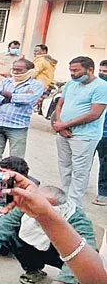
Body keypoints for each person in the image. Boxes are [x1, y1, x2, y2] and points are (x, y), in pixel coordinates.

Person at [0, 184, 97, 284]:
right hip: (36, 249)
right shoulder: (30, 205)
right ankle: (33, 270)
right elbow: (0, 226)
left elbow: (88, 252)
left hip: (61, 256)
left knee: (80, 267)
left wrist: (62, 281)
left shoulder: (77, 220)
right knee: (11, 235)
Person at [52, 56, 107, 207]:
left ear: (90, 70)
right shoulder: (71, 84)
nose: (73, 73)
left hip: (84, 136)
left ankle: (74, 206)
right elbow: (59, 104)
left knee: (79, 171)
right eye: (71, 70)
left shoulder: (101, 87)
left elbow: (94, 113)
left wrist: (64, 125)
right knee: (64, 167)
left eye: (76, 70)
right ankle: (65, 201)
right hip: (63, 133)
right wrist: (60, 124)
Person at [0, 59, 44, 175]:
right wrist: (16, 98)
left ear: (29, 71)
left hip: (17, 126)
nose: (16, 72)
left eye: (20, 70)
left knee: (16, 157)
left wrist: (8, 95)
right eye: (14, 69)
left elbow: (29, 100)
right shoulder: (5, 81)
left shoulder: (36, 85)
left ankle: (14, 179)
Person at [94, 60, 107, 206]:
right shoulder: (96, 87)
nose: (102, 74)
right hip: (90, 132)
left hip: (105, 133)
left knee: (105, 164)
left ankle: (103, 192)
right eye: (101, 71)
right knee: (82, 164)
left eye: (106, 72)